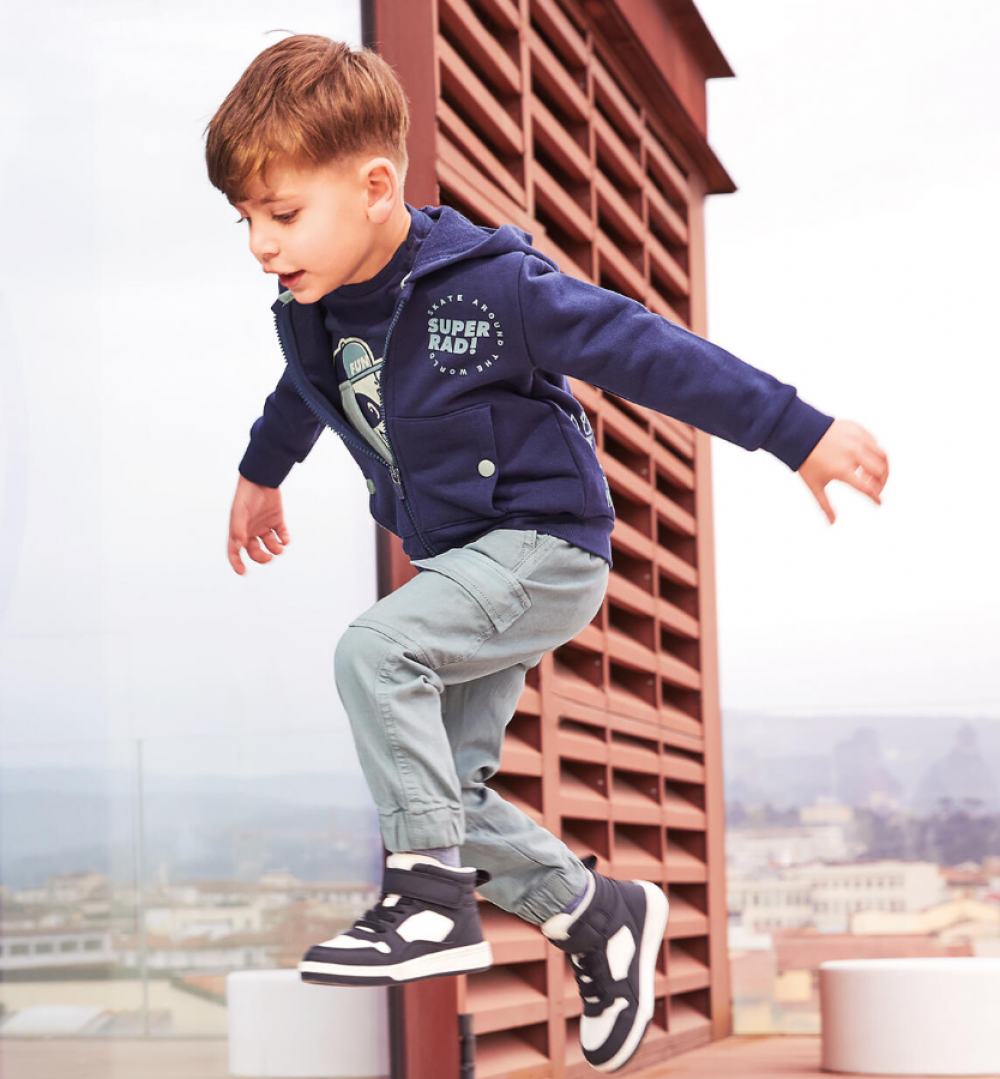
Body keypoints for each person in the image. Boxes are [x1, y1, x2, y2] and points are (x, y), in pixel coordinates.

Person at [204, 34, 889, 1073]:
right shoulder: (313, 314)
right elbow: (303, 394)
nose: (260, 243)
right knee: (446, 786)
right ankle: (597, 912)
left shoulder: (491, 289)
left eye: (282, 214)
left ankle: (425, 896)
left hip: (544, 544)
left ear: (376, 188)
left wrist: (796, 430)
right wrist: (262, 474)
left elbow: (647, 349)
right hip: (463, 565)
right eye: (245, 219)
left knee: (374, 653)